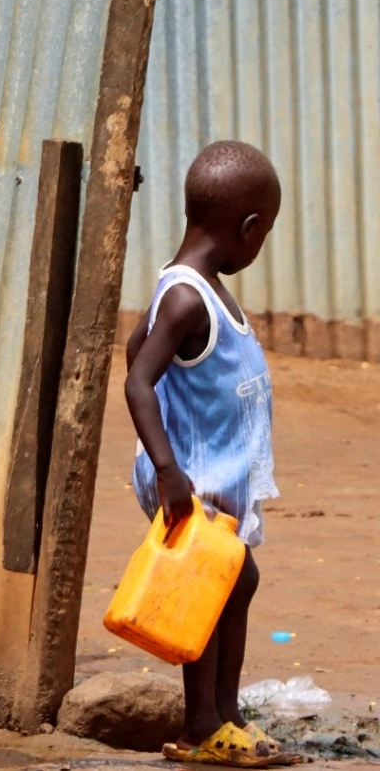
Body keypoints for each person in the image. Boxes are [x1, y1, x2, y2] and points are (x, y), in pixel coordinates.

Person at [123, 141, 285, 768]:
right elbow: (138, 380)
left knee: (236, 580)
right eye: (263, 233)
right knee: (209, 588)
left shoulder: (193, 287)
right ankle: (201, 726)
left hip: (210, 468)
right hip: (191, 474)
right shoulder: (189, 297)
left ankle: (225, 716)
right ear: (249, 227)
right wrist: (169, 470)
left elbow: (136, 344)